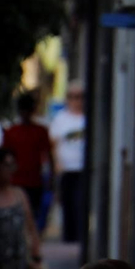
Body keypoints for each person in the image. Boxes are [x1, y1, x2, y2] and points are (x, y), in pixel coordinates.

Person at [3, 91, 56, 235]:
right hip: (17, 181)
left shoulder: (39, 131)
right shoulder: (12, 132)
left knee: (31, 217)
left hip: (33, 182)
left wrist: (51, 177)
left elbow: (49, 156)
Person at [49, 83, 87, 243]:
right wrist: (57, 163)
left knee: (81, 202)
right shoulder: (60, 119)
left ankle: (80, 235)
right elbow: (53, 144)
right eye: (72, 97)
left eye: (79, 97)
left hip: (84, 168)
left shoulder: (88, 117)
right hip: (67, 168)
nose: (76, 100)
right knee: (68, 203)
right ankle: (69, 236)